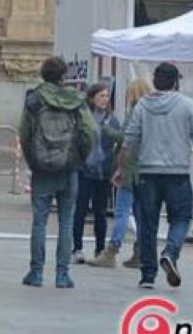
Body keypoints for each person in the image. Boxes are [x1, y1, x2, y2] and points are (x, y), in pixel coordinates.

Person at [114, 63, 193, 289]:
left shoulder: (142, 107)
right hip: (177, 173)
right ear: (176, 81)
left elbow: (129, 142)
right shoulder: (188, 105)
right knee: (181, 218)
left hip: (147, 173)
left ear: (155, 81)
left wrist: (121, 169)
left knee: (147, 224)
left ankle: (148, 275)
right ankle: (170, 252)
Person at [19, 57, 96, 289]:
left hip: (42, 168)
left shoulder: (33, 99)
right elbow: (89, 131)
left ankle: (36, 272)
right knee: (66, 221)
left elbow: (24, 133)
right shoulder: (75, 99)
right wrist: (79, 156)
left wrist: (33, 159)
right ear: (64, 75)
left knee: (39, 221)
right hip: (69, 166)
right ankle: (62, 274)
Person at [90, 78, 152, 269]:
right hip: (148, 169)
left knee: (123, 211)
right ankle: (141, 251)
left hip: (131, 167)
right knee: (142, 214)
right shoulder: (153, 112)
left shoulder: (135, 112)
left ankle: (112, 250)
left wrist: (108, 130)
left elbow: (125, 138)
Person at [73, 82, 121, 264]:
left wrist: (114, 162)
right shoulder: (84, 116)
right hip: (84, 169)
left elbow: (118, 140)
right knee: (80, 209)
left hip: (103, 171)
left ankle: (100, 248)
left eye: (107, 96)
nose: (104, 99)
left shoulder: (112, 119)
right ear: (92, 98)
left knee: (101, 212)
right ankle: (76, 248)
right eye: (101, 95)